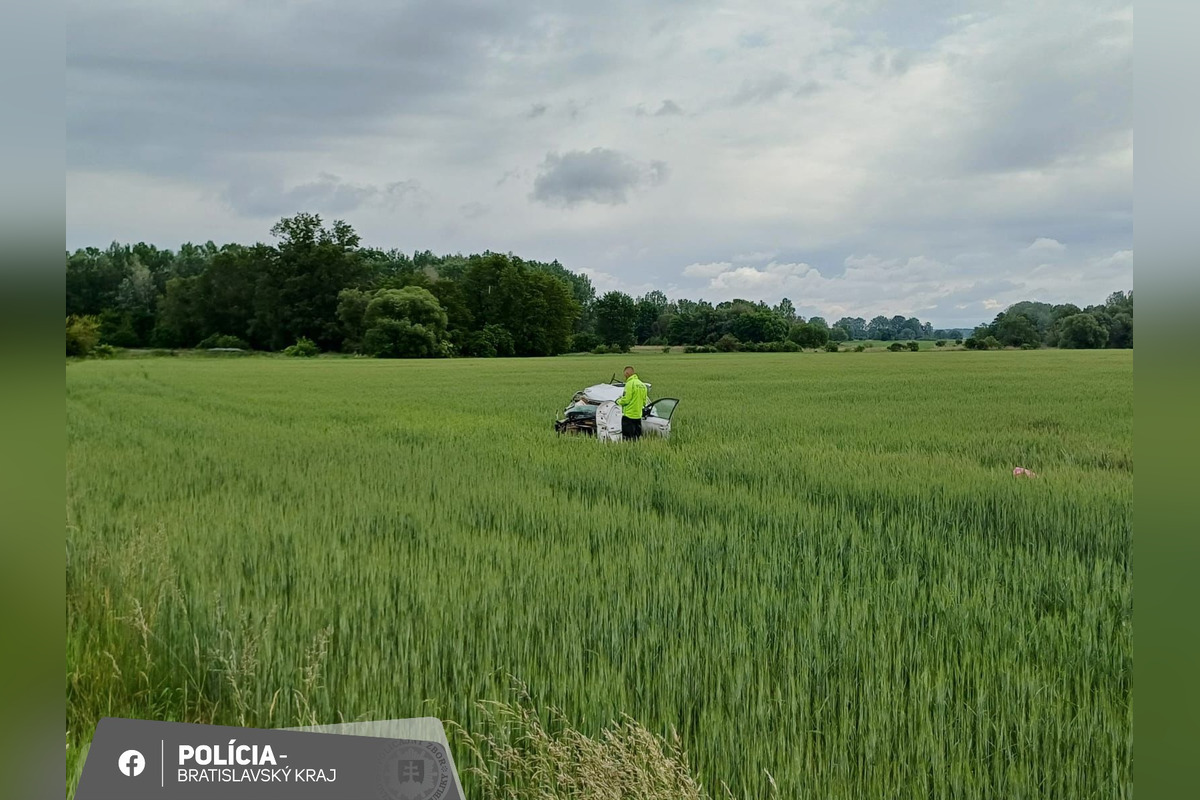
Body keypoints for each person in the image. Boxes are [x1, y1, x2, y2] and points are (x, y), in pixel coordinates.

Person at [615, 365, 648, 440]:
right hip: (638, 415)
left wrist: (617, 402)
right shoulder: (642, 385)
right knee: (636, 438)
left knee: (628, 438)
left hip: (629, 415)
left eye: (625, 375)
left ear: (627, 373)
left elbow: (626, 399)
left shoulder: (629, 384)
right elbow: (644, 402)